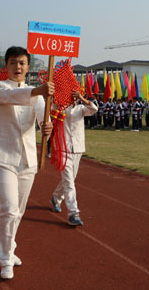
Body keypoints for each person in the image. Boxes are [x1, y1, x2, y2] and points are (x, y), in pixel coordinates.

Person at [0, 46, 54, 280]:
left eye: (22, 63)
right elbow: (10, 97)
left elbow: (43, 119)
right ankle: (5, 259)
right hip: (3, 157)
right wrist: (38, 90)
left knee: (19, 212)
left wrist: (48, 127)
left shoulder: (36, 95)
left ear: (28, 67)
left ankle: (9, 248)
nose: (18, 67)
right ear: (6, 66)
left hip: (27, 159)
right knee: (8, 209)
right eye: (14, 63)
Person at [50, 90, 97, 226]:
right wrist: (58, 100)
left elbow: (94, 109)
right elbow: (50, 111)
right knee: (69, 181)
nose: (72, 97)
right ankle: (73, 212)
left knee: (70, 179)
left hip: (78, 148)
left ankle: (56, 197)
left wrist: (82, 98)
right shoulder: (58, 107)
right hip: (63, 148)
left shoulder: (81, 108)